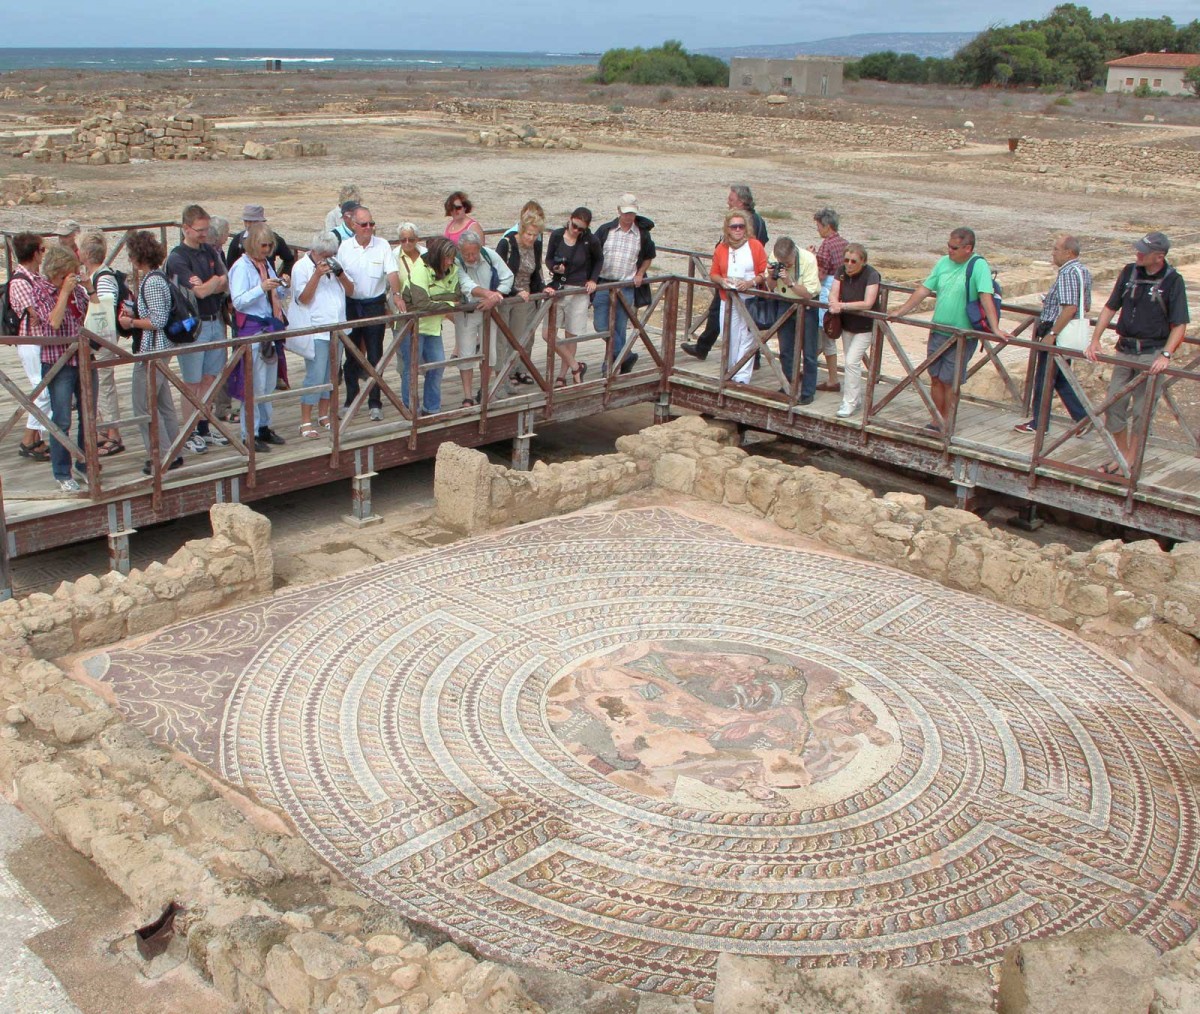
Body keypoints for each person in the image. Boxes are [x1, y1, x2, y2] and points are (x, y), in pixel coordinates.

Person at [1085, 231, 1189, 476]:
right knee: (1114, 405)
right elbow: (1111, 307)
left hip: (1151, 353)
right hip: (1125, 349)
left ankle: (1129, 461)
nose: (1137, 253)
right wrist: (1096, 339)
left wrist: (1166, 355)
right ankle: (1122, 456)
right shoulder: (1129, 271)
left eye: (1143, 251)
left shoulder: (1173, 281)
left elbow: (1180, 324)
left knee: (1142, 411)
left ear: (1159, 256)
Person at [891, 228, 1007, 431]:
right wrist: (901, 311)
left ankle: (947, 420)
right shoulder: (943, 263)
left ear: (967, 248)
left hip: (961, 336)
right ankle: (937, 418)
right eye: (948, 246)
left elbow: (985, 295)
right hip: (938, 331)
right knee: (935, 376)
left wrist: (995, 328)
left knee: (950, 380)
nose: (949, 251)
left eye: (954, 247)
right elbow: (924, 289)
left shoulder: (978, 265)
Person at [118, 231, 184, 476]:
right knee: (163, 403)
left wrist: (131, 322)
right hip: (160, 351)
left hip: (152, 352)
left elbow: (157, 319)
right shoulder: (157, 277)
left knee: (143, 407)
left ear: (137, 257)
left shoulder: (152, 281)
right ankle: (173, 452)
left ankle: (161, 455)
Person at [167, 203, 230, 454]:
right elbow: (201, 291)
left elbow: (225, 283)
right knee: (192, 382)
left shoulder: (210, 251)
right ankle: (189, 430)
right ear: (186, 228)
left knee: (210, 378)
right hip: (194, 326)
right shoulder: (178, 257)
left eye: (206, 229)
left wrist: (213, 283)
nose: (204, 234)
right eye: (200, 230)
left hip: (215, 320)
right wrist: (214, 282)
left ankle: (204, 425)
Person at [1014, 235, 1092, 435]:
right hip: (1068, 332)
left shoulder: (1067, 273)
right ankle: (1082, 418)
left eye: (1056, 249)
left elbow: (1070, 307)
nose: (1053, 253)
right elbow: (1085, 305)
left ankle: (1039, 424)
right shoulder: (1083, 271)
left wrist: (1052, 333)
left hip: (1058, 332)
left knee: (1044, 378)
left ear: (1069, 253)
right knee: (1059, 378)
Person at [681, 184, 767, 361]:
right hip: (730, 277)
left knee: (742, 320)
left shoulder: (751, 221)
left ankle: (709, 349)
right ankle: (708, 348)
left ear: (742, 202)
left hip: (742, 282)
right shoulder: (753, 219)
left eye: (731, 199)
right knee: (735, 318)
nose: (728, 202)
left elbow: (756, 249)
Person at [28, 245, 89, 491]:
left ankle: (86, 464)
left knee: (88, 416)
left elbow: (93, 312)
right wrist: (64, 293)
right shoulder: (40, 290)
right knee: (61, 419)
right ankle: (62, 472)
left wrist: (89, 288)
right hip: (58, 362)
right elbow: (53, 322)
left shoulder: (77, 289)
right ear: (59, 272)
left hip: (82, 358)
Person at [336, 204, 403, 421]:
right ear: (353, 225)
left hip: (374, 304)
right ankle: (351, 399)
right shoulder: (345, 247)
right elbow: (339, 277)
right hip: (351, 305)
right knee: (351, 355)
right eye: (364, 224)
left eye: (371, 224)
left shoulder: (382, 244)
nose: (368, 228)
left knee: (375, 355)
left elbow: (392, 272)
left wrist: (396, 293)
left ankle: (375, 402)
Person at [228, 223, 288, 452]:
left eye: (270, 245)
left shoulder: (264, 265)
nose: (267, 249)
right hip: (253, 330)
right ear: (253, 244)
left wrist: (282, 287)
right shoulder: (241, 268)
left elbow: (275, 293)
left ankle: (264, 426)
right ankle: (248, 434)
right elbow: (239, 301)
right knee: (253, 385)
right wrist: (261, 288)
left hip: (268, 329)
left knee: (269, 383)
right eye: (264, 245)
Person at [289, 231, 352, 437]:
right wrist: (316, 275)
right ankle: (305, 421)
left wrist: (340, 273)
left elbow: (351, 291)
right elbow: (303, 298)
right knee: (315, 376)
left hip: (338, 327)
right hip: (316, 329)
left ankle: (324, 415)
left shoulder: (336, 263)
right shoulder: (301, 267)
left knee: (331, 375)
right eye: (323, 255)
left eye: (330, 255)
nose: (327, 259)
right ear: (314, 252)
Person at [593, 193, 655, 374]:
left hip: (626, 285)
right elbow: (593, 254)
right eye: (626, 213)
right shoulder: (605, 230)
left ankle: (611, 365)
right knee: (601, 325)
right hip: (604, 284)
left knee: (619, 326)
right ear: (618, 211)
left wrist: (641, 273)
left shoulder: (642, 234)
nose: (629, 217)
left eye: (632, 213)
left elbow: (649, 256)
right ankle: (625, 354)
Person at [401, 237, 462, 417]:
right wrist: (448, 303)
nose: (450, 262)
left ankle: (431, 408)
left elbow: (457, 295)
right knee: (411, 369)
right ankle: (410, 409)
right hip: (412, 327)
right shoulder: (420, 269)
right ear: (437, 257)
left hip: (434, 326)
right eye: (446, 258)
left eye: (452, 257)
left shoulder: (453, 268)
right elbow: (421, 303)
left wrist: (436, 299)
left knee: (437, 366)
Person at [77, 230, 125, 455]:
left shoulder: (103, 279)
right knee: (99, 386)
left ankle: (113, 434)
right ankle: (104, 430)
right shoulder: (98, 275)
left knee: (104, 385)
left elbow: (103, 311)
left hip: (102, 341)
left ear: (86, 253)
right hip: (99, 340)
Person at [7, 232, 52, 462]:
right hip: (30, 342)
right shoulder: (20, 281)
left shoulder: (33, 277)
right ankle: (28, 439)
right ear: (35, 253)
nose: (44, 254)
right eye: (42, 250)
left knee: (43, 390)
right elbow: (37, 314)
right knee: (41, 390)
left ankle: (35, 438)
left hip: (39, 341)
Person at [710, 207, 768, 385]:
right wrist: (722, 281)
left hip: (750, 298)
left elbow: (764, 271)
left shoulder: (755, 245)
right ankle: (729, 371)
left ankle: (742, 376)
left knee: (748, 335)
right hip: (728, 298)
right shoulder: (722, 248)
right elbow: (714, 273)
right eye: (734, 226)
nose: (737, 230)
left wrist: (750, 283)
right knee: (729, 334)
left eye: (741, 226)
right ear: (727, 228)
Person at [544, 207, 601, 386]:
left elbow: (599, 259)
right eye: (574, 226)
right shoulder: (557, 235)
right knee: (548, 333)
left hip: (578, 290)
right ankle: (576, 366)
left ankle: (562, 375)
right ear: (570, 219)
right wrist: (555, 267)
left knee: (571, 334)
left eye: (581, 229)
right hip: (558, 288)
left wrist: (593, 279)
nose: (576, 231)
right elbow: (548, 259)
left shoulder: (590, 240)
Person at [455, 231, 513, 405]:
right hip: (467, 313)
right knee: (466, 353)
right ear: (460, 250)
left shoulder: (489, 255)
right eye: (467, 254)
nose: (471, 258)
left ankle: (484, 389)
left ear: (480, 248)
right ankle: (467, 395)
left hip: (489, 312)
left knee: (489, 353)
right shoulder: (456, 261)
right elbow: (466, 284)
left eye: (474, 253)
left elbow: (508, 277)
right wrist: (489, 295)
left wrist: (497, 294)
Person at [827, 243, 881, 418]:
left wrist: (841, 306)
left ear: (863, 261)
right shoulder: (841, 271)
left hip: (865, 326)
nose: (849, 264)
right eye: (846, 260)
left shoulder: (871, 274)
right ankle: (854, 398)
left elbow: (868, 303)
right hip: (847, 324)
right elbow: (833, 291)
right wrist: (834, 302)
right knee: (850, 362)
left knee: (851, 361)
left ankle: (849, 402)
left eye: (853, 261)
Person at [495, 209, 546, 387]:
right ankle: (499, 378)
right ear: (521, 230)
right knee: (501, 338)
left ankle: (512, 373)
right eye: (528, 234)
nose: (531, 238)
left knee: (518, 338)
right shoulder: (507, 243)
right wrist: (515, 291)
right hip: (506, 295)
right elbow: (499, 273)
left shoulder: (537, 246)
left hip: (524, 297)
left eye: (535, 235)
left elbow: (536, 272)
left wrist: (543, 288)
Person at [769, 236, 820, 403]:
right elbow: (770, 286)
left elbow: (808, 293)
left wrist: (790, 282)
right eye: (782, 262)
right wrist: (772, 276)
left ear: (794, 253)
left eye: (788, 262)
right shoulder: (774, 257)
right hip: (785, 302)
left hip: (807, 305)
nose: (786, 265)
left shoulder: (808, 259)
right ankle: (789, 385)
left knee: (809, 351)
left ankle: (808, 391)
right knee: (785, 349)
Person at [811, 208, 848, 393]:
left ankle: (832, 379)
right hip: (842, 294)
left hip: (827, 293)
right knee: (824, 337)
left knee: (825, 337)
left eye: (819, 226)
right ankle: (808, 368)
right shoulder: (844, 244)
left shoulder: (826, 246)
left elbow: (819, 274)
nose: (818, 230)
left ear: (827, 226)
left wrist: (811, 259)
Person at [225, 204, 295, 280]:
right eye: (246, 221)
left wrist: (283, 277)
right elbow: (230, 266)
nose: (248, 225)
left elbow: (289, 259)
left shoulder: (274, 239)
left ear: (261, 222)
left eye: (252, 221)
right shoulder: (237, 240)